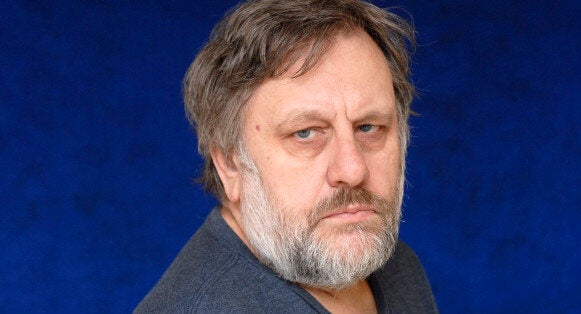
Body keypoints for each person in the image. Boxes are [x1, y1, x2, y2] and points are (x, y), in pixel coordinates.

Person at [136, 0, 438, 312]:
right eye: (305, 133)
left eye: (368, 127)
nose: (352, 169)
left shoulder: (399, 269)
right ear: (229, 163)